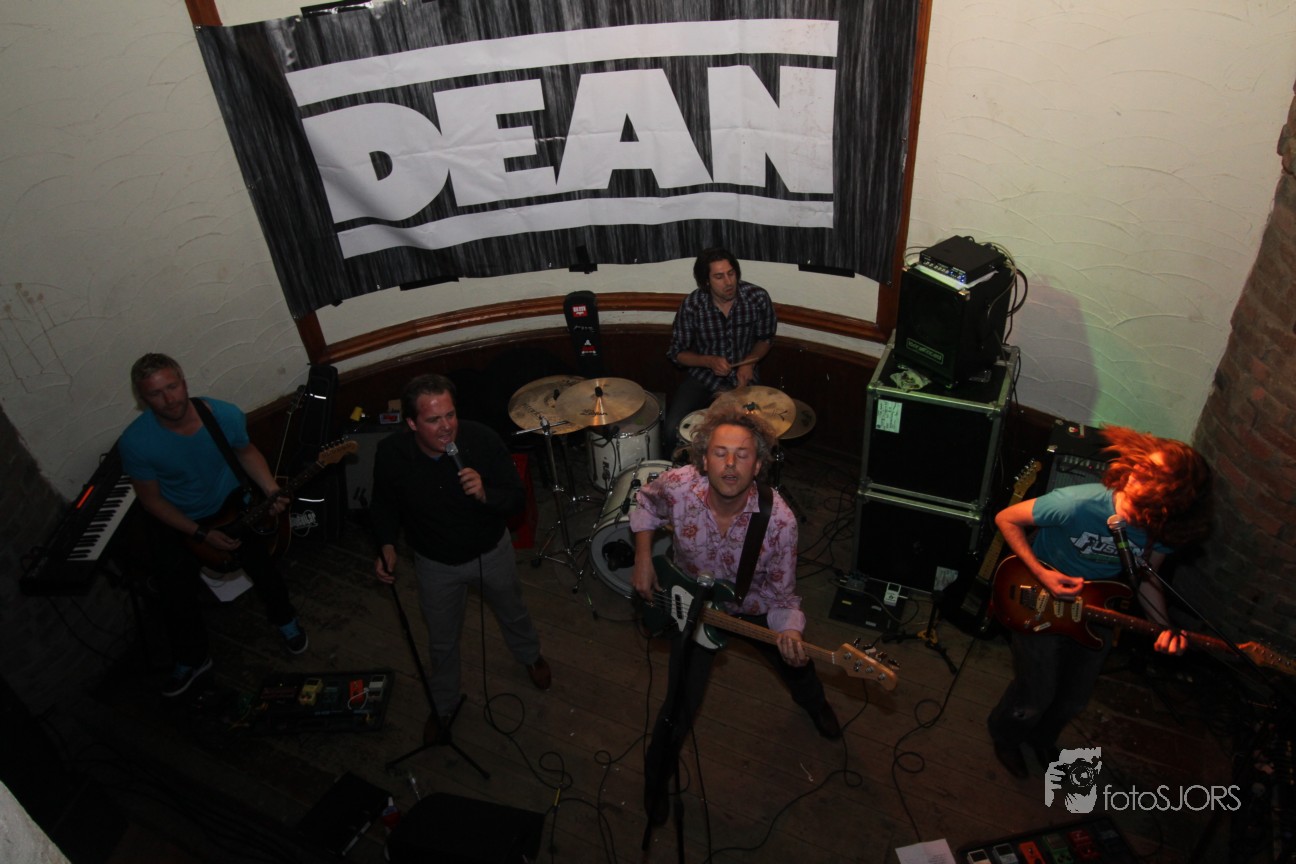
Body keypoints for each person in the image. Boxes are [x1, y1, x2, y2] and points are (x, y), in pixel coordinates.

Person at [629, 404, 839, 825]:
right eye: (720, 453)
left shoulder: (779, 522)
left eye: (742, 455)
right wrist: (643, 556)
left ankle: (816, 705)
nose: (730, 464)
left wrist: (792, 633)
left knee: (796, 664)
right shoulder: (679, 486)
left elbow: (783, 597)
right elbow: (645, 504)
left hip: (752, 608)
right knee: (676, 709)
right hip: (692, 607)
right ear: (703, 459)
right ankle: (655, 783)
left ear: (758, 466)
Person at [987, 426, 1212, 778]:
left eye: (1151, 477)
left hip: (1096, 610)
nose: (1134, 479)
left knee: (1074, 697)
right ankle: (1007, 737)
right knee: (1036, 692)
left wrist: (1162, 627)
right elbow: (1006, 518)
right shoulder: (1075, 503)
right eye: (1141, 469)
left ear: (1168, 504)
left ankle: (1042, 740)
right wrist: (1042, 574)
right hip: (1038, 600)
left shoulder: (1160, 530)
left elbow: (1146, 578)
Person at [370, 373, 550, 739]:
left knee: (513, 610)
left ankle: (530, 656)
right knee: (441, 640)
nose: (446, 427)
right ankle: (444, 704)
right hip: (435, 563)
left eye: (450, 415)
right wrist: (386, 545)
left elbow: (516, 498)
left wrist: (486, 494)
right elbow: (383, 505)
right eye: (433, 420)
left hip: (491, 552)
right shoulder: (392, 454)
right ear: (411, 423)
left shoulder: (481, 439)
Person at [119, 353, 308, 698]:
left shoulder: (222, 414)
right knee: (175, 595)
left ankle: (286, 620)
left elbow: (246, 452)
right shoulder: (136, 442)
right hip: (179, 520)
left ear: (183, 382)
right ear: (142, 399)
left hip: (231, 506)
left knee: (264, 569)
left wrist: (270, 488)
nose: (169, 399)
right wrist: (200, 534)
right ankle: (193, 658)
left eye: (172, 387)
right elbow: (152, 501)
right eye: (156, 393)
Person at [661, 248, 778, 456]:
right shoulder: (692, 305)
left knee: (752, 435)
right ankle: (682, 473)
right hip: (703, 377)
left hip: (744, 377)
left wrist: (749, 363)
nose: (728, 282)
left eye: (731, 273)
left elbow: (766, 338)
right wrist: (708, 361)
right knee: (672, 429)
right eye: (719, 276)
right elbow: (677, 353)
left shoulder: (757, 298)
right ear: (706, 281)